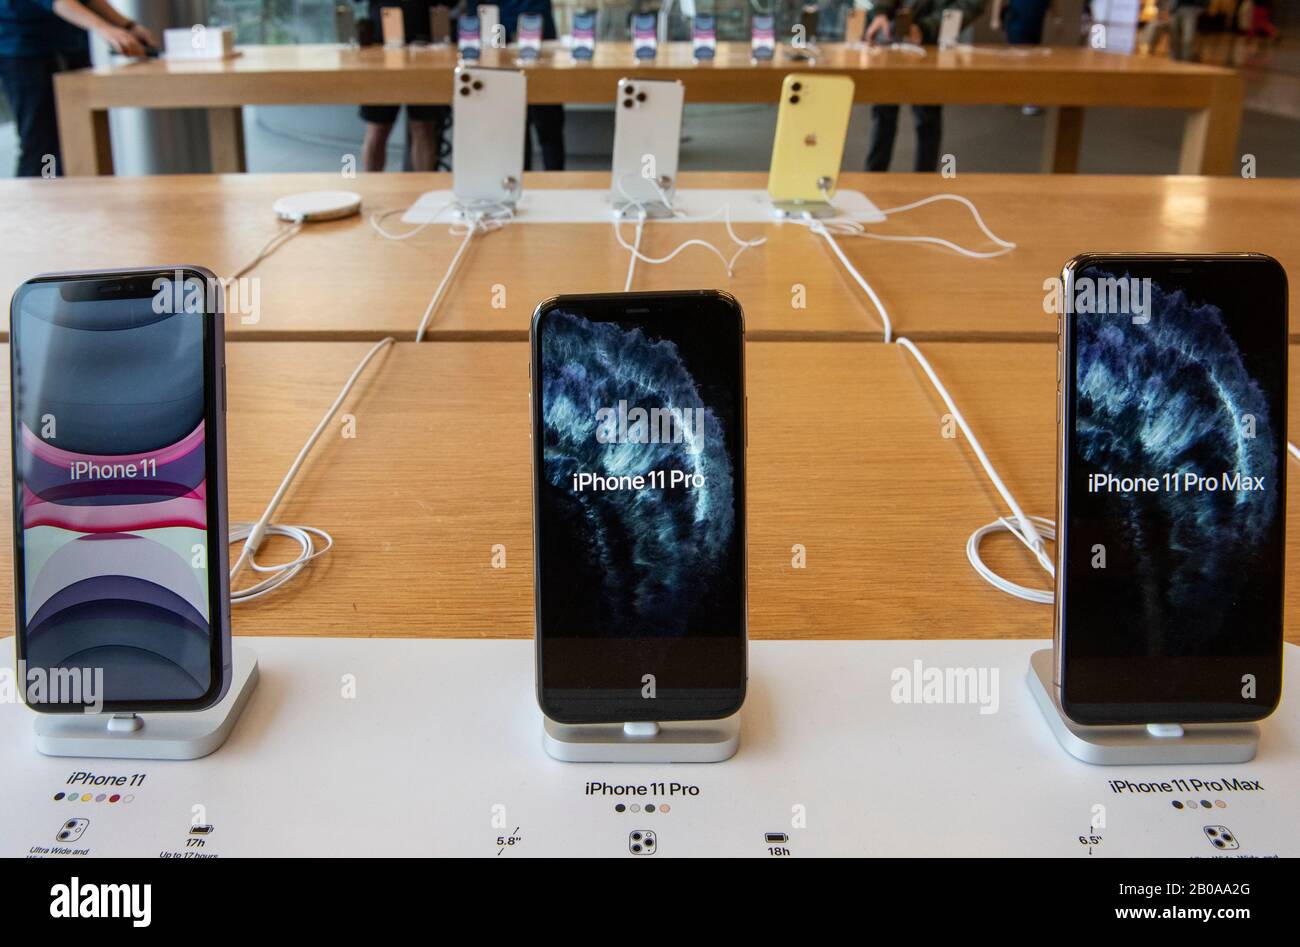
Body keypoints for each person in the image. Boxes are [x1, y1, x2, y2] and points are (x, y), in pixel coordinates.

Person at [0, 0, 156, 177]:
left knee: (82, 138)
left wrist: (128, 25)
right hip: (27, 49)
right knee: (43, 147)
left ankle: (73, 201)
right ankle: (40, 201)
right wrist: (104, 28)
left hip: (71, 44)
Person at [864, 0, 987, 172]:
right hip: (891, 37)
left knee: (927, 116)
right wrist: (881, 11)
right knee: (883, 112)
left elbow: (971, 4)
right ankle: (873, 177)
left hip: (932, 41)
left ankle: (925, 181)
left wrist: (927, 28)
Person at [359, 0, 453, 172]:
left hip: (425, 48)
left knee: (423, 127)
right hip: (381, 50)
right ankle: (371, 189)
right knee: (378, 128)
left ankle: (424, 192)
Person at [494, 0, 565, 170]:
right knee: (516, 128)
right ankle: (521, 184)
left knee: (548, 125)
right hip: (502, 45)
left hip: (539, 43)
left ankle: (555, 184)